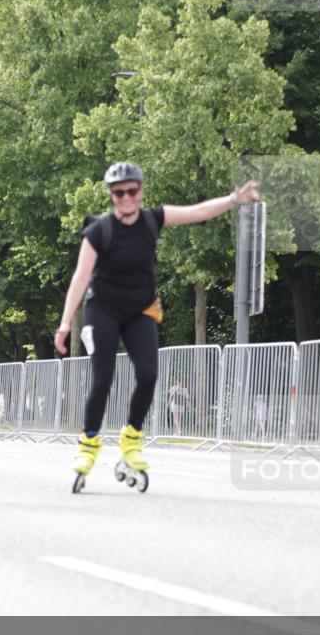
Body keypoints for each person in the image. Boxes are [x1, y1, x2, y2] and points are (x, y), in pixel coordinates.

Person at [54, 161, 260, 479]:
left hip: (141, 309)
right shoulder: (99, 231)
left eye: (131, 191)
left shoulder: (153, 219)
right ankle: (88, 444)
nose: (125, 197)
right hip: (103, 309)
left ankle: (131, 439)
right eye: (118, 192)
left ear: (140, 192)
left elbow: (197, 212)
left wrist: (235, 199)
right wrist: (66, 323)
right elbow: (80, 279)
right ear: (111, 196)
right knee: (102, 378)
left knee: (149, 375)